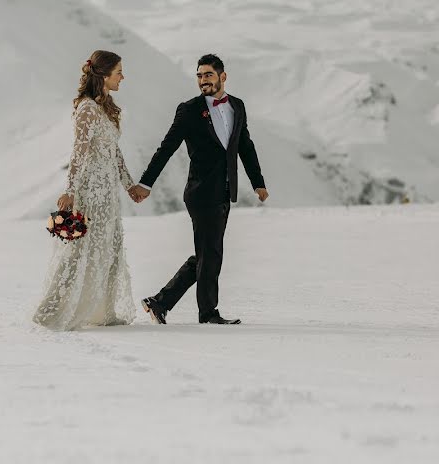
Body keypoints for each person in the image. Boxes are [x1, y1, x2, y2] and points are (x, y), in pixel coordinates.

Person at [130, 54, 268, 325]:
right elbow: (166, 148)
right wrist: (146, 183)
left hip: (226, 191)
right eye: (199, 75)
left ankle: (160, 301)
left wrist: (258, 182)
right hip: (201, 192)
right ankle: (208, 313)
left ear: (222, 76)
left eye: (208, 75)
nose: (203, 80)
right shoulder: (189, 109)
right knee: (211, 253)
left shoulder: (237, 106)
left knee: (207, 253)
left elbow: (245, 147)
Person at [33, 50, 141, 331]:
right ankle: (53, 311)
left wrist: (129, 185)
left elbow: (113, 152)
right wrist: (70, 190)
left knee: (108, 247)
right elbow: (79, 151)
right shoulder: (87, 109)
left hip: (108, 193)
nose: (122, 77)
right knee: (82, 250)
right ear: (104, 75)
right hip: (90, 191)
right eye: (119, 72)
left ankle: (102, 310)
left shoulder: (106, 107)